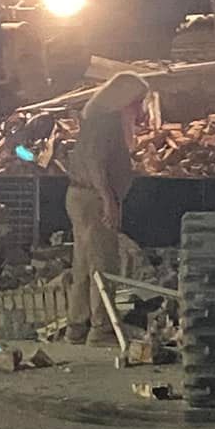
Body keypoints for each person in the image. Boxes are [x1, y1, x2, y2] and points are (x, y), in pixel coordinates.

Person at [65, 71, 150, 344]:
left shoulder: (96, 119)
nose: (140, 108)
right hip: (94, 199)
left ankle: (76, 326)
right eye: (138, 102)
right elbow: (95, 164)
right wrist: (108, 200)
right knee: (104, 263)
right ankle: (101, 329)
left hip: (81, 197)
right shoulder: (107, 123)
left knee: (84, 264)